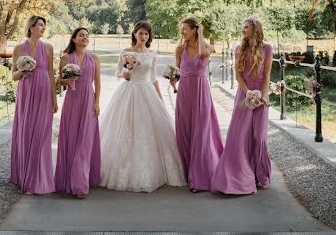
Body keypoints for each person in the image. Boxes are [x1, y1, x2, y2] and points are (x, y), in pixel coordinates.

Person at [99, 21, 185, 192]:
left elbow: (153, 78)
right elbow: (117, 72)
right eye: (140, 33)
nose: (143, 37)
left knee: (148, 130)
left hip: (147, 92)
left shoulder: (152, 54)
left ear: (149, 36)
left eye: (146, 34)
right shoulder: (126, 53)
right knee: (125, 127)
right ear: (135, 34)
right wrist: (126, 72)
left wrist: (160, 99)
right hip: (129, 91)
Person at [211, 16, 273, 194]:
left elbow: (267, 74)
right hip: (244, 93)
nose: (243, 30)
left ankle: (261, 175)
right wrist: (247, 93)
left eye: (246, 27)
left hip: (262, 94)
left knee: (259, 136)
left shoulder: (267, 48)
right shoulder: (238, 49)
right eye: (242, 27)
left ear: (255, 29)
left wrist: (264, 95)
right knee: (239, 134)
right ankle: (238, 175)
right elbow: (238, 75)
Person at [173, 17, 223, 192]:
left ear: (195, 30)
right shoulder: (180, 49)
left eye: (185, 29)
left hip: (201, 93)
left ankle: (199, 177)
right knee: (186, 132)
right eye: (181, 29)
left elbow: (211, 49)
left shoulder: (205, 48)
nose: (182, 32)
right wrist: (172, 80)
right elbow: (177, 72)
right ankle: (187, 172)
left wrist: (201, 35)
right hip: (185, 93)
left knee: (201, 132)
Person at [8, 15, 57, 194]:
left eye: (44, 25)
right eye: (40, 25)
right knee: (26, 132)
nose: (43, 28)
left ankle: (39, 176)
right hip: (27, 94)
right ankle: (25, 178)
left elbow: (51, 74)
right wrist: (23, 69)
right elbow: (13, 76)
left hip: (44, 93)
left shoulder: (49, 47)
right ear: (31, 27)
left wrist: (54, 98)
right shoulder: (19, 48)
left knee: (42, 134)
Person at [54, 27, 101, 198]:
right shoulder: (66, 58)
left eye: (87, 36)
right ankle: (67, 178)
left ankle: (80, 183)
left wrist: (96, 102)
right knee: (71, 138)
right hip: (72, 101)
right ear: (74, 39)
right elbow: (60, 81)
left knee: (85, 141)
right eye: (81, 35)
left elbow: (98, 82)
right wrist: (69, 80)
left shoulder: (94, 58)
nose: (85, 38)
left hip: (88, 100)